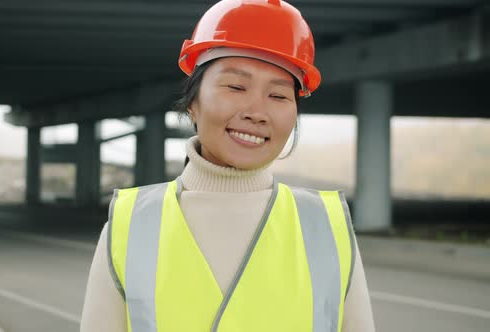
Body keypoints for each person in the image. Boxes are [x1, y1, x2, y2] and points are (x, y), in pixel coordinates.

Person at [80, 0, 375, 331]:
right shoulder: (131, 224)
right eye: (236, 87)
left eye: (278, 96)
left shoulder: (326, 227)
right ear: (193, 102)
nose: (256, 111)